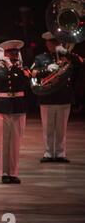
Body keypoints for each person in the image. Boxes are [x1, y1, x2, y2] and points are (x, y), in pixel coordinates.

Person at [0, 40, 30, 184]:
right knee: (2, 142)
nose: (13, 55)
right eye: (10, 52)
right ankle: (3, 172)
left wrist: (13, 67)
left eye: (15, 52)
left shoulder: (23, 68)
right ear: (5, 53)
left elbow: (26, 83)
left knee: (15, 142)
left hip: (18, 106)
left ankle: (14, 173)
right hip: (2, 106)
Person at [31, 31, 83, 163]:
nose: (54, 45)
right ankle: (48, 152)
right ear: (46, 44)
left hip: (63, 96)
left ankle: (60, 153)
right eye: (51, 42)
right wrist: (46, 69)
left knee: (61, 128)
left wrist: (66, 53)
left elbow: (80, 63)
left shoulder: (67, 57)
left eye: (56, 42)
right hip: (47, 96)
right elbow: (33, 73)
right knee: (48, 127)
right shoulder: (40, 58)